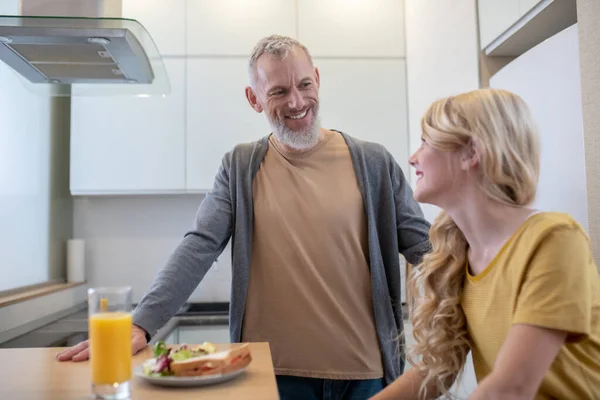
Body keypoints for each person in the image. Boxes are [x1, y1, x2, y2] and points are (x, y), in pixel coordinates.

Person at [56, 34, 432, 399]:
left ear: (317, 79)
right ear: (254, 99)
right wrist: (141, 322)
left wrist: (481, 282)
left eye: (304, 84)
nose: (297, 101)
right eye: (279, 92)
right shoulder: (239, 166)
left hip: (366, 376)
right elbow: (199, 245)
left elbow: (425, 247)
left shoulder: (373, 162)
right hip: (272, 376)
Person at [370, 88, 600, 400]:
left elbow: (511, 388)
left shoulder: (554, 239)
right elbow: (435, 372)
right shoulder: (458, 255)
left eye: (426, 142)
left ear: (471, 153)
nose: (413, 158)